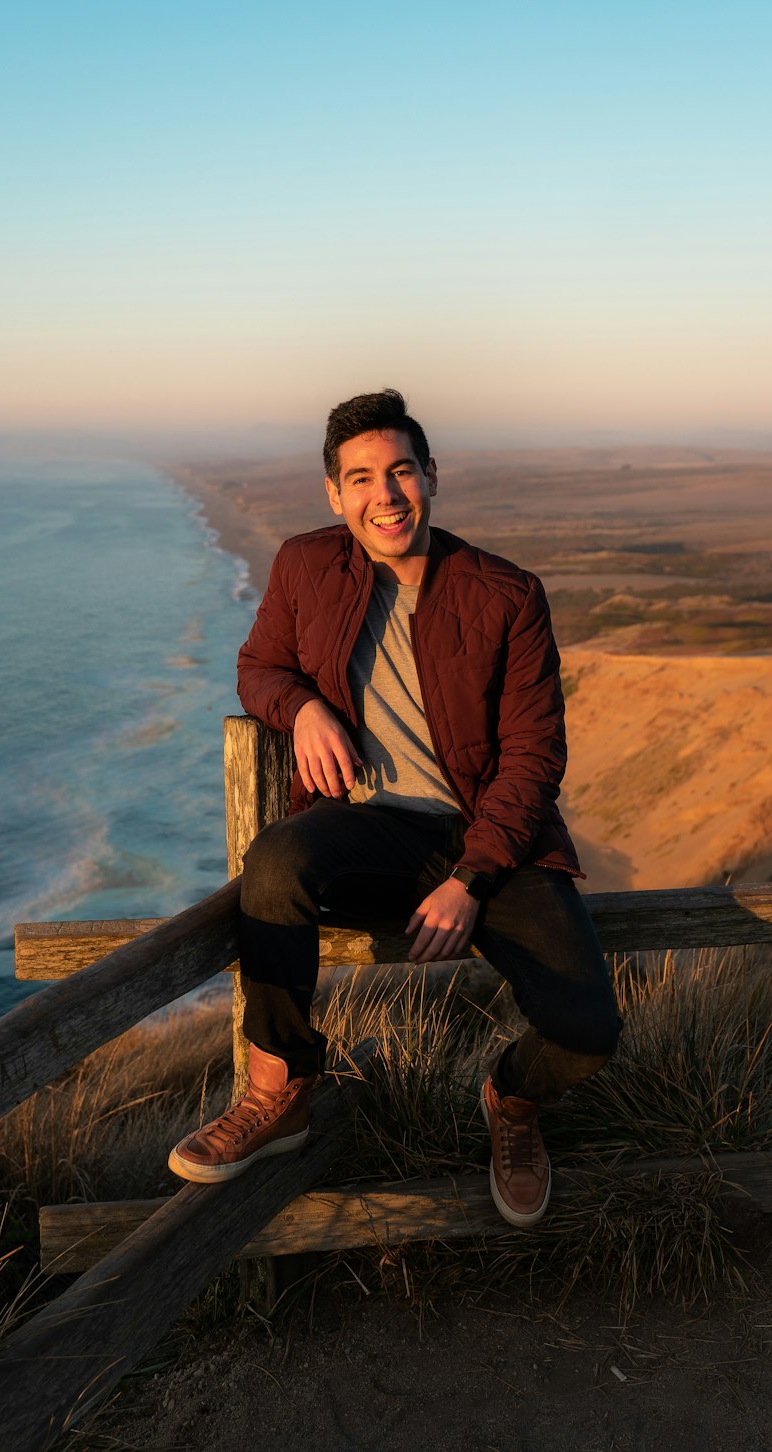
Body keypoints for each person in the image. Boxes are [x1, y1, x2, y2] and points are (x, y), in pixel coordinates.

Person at [169, 389, 621, 1226]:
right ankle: (282, 1092)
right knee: (274, 864)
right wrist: (301, 707)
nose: (386, 494)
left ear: (431, 477)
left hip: (490, 838)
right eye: (363, 478)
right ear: (335, 495)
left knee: (588, 1030)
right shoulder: (305, 566)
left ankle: (511, 1103)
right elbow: (258, 667)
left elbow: (532, 758)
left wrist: (472, 878)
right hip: (367, 829)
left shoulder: (507, 594)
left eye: (402, 471)